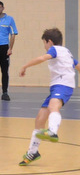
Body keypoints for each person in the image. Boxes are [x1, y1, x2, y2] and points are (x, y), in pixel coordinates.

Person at [17, 28, 79, 166]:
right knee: (40, 119)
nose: (45, 47)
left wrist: (25, 66)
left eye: (44, 44)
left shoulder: (54, 49)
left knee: (53, 107)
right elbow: (77, 65)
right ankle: (33, 152)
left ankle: (52, 131)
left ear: (49, 42)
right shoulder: (66, 52)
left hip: (63, 85)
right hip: (58, 86)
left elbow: (42, 58)